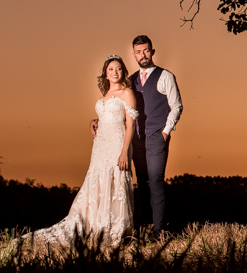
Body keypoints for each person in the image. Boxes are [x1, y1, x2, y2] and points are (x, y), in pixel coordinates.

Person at [27, 56, 137, 248]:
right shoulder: (105, 93)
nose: (114, 73)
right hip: (100, 146)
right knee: (97, 182)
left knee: (115, 182)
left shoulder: (126, 92)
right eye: (111, 69)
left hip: (117, 144)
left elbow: (130, 124)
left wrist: (124, 151)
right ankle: (93, 226)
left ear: (123, 71)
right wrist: (95, 121)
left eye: (118, 69)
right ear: (105, 72)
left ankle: (112, 230)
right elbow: (108, 116)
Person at [128, 34, 182, 236]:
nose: (143, 55)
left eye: (146, 50)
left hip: (156, 135)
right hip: (137, 139)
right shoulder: (131, 80)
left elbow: (176, 106)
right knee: (142, 181)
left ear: (152, 51)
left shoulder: (165, 76)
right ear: (134, 54)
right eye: (138, 52)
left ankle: (159, 229)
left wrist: (166, 132)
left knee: (156, 179)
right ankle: (148, 224)